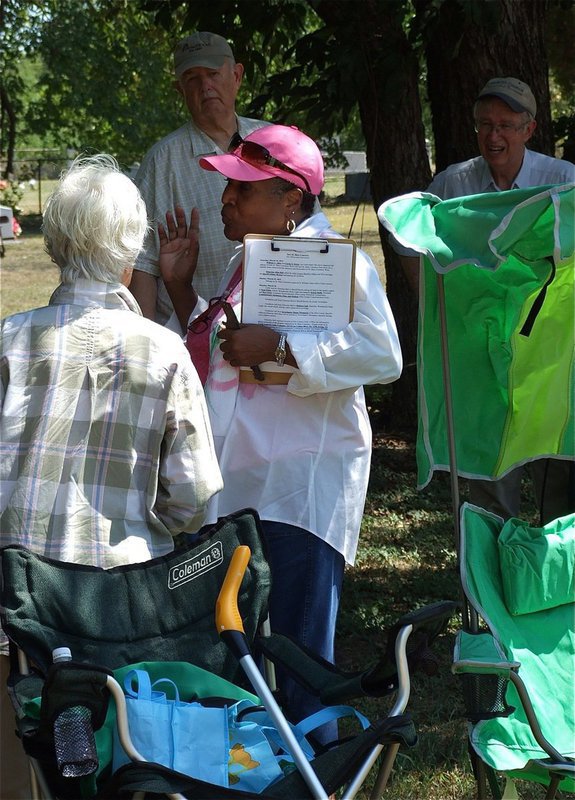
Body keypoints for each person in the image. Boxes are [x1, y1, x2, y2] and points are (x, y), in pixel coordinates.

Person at [157, 124, 403, 735]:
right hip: (243, 483)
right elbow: (226, 352)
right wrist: (181, 289)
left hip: (300, 483)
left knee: (298, 649)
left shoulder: (336, 261)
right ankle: (261, 767)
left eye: (243, 190)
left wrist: (287, 351)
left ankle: (320, 767)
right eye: (227, 188)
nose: (226, 201)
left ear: (291, 198)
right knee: (238, 644)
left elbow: (383, 354)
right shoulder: (251, 263)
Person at [0, 154, 223, 798]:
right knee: (119, 770)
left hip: (16, 608)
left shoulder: (11, 340)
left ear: (56, 244)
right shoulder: (163, 349)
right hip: (119, 611)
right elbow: (195, 495)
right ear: (133, 247)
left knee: (20, 768)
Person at [396, 76, 575, 522]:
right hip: (478, 353)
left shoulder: (563, 181)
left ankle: (554, 584)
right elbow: (408, 245)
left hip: (547, 358)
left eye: (506, 126)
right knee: (490, 485)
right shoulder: (453, 185)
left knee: (560, 484)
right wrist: (441, 313)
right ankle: (494, 585)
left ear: (529, 130)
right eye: (485, 125)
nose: (494, 136)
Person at [129, 31, 268, 327]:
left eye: (213, 74)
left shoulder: (272, 144)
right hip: (189, 341)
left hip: (271, 334)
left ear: (237, 76)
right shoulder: (161, 162)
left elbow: (312, 236)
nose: (205, 86)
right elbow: (142, 266)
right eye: (192, 78)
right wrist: (146, 350)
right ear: (179, 89)